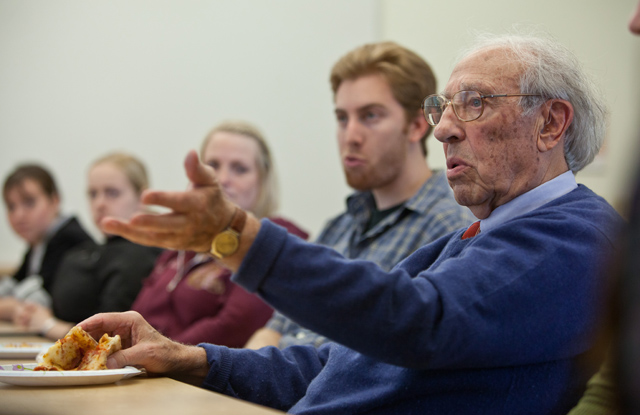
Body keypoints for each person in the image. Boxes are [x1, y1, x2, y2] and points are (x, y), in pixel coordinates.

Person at [82, 32, 623, 414]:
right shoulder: (474, 235)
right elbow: (337, 366)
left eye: (475, 104)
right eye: (444, 108)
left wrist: (237, 238)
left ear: (550, 123)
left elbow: (418, 323)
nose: (444, 131)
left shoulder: (580, 236)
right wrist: (188, 359)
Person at [245, 41, 474, 350]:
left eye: (370, 116)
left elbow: (370, 368)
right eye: (342, 118)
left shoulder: (449, 227)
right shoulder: (338, 227)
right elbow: (272, 330)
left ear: (417, 125)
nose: (350, 136)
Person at [130, 120, 308, 347]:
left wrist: (159, 355)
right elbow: (139, 314)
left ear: (262, 180)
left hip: (199, 376)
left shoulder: (275, 237)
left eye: (240, 169)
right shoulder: (182, 245)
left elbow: (237, 324)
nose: (223, 179)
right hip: (146, 370)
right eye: (212, 165)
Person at [566, 3, 640, 414]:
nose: (632, 22)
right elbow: (614, 379)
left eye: (475, 103)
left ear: (550, 124)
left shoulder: (578, 228)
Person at [14, 152, 161, 340]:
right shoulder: (89, 250)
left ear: (143, 197)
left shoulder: (140, 255)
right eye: (93, 194)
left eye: (112, 193)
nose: (99, 203)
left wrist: (48, 325)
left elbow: (111, 336)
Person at [0, 164, 93, 320]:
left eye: (29, 202)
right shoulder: (38, 242)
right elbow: (15, 284)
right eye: (11, 207)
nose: (18, 215)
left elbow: (36, 304)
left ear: (55, 200)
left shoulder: (71, 240)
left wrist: (10, 307)